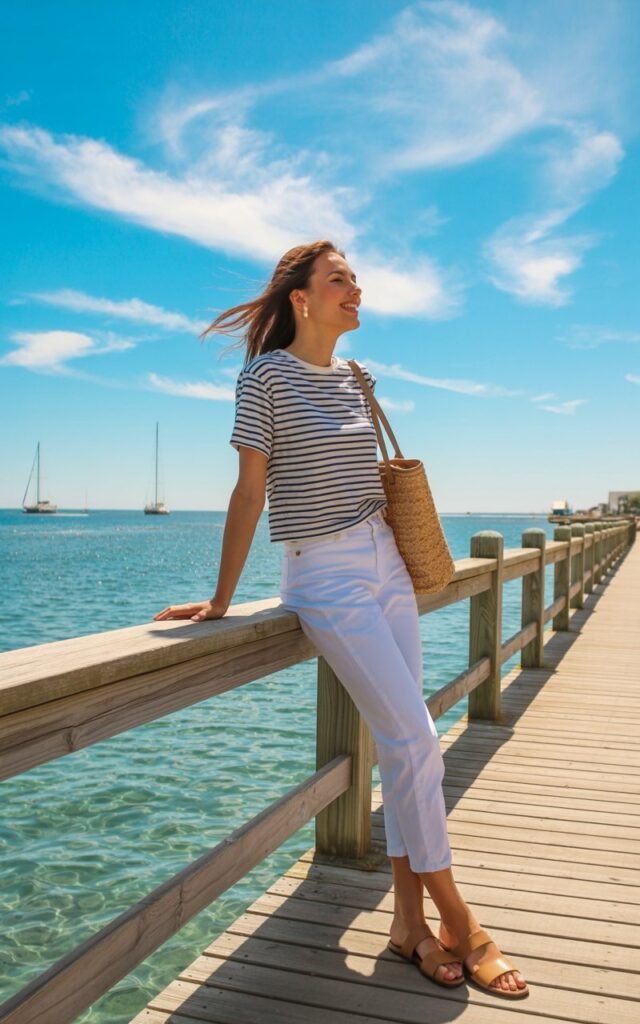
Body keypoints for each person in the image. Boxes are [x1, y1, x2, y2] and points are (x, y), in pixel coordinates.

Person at [154, 240, 529, 998]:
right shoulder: (263, 377)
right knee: (416, 735)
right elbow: (250, 492)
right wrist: (223, 599)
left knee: (404, 741)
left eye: (356, 279)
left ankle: (407, 927)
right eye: (339, 280)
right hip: (322, 572)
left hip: (387, 561)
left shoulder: (360, 379)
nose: (356, 289)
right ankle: (458, 916)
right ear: (302, 298)